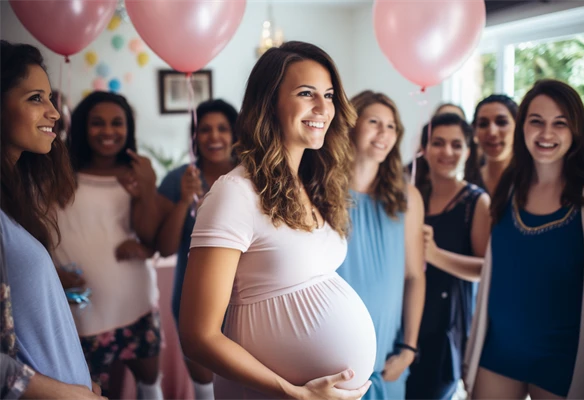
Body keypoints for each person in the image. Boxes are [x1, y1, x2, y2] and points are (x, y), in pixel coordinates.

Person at [178, 41, 376, 400]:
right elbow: (197, 337)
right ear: (269, 102)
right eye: (306, 93)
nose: (323, 108)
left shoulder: (315, 184)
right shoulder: (234, 193)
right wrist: (295, 392)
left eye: (329, 95)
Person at [465, 79, 584, 400]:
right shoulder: (510, 186)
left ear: (577, 130)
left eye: (560, 124)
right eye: (536, 121)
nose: (546, 134)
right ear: (522, 125)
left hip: (563, 357)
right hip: (499, 349)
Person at [0, 40, 105, 399]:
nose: (54, 112)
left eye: (48, 97)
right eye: (35, 98)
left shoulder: (13, 198)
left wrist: (80, 382)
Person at [52, 91, 163, 399]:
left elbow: (150, 236)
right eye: (97, 123)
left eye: (117, 123)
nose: (108, 131)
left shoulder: (137, 172)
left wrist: (148, 188)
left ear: (129, 128)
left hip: (135, 302)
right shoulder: (60, 173)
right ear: (82, 128)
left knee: (150, 384)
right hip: (81, 311)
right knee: (90, 391)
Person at [335, 90, 425, 400]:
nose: (383, 133)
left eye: (391, 126)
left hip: (388, 361)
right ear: (351, 125)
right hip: (329, 358)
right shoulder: (321, 192)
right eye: (374, 121)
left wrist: (409, 350)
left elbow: (415, 276)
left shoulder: (407, 198)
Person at [156, 99, 239, 400]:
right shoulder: (178, 179)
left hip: (246, 299)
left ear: (235, 134)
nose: (213, 137)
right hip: (194, 300)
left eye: (222, 129)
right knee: (206, 391)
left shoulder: (252, 176)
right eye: (205, 129)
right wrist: (184, 200)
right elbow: (164, 248)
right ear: (195, 135)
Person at [407, 113, 490, 400]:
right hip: (403, 319)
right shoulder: (408, 195)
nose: (447, 152)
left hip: (445, 326)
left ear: (468, 152)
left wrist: (434, 254)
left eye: (457, 145)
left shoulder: (476, 202)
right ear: (424, 149)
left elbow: (485, 268)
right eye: (438, 143)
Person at [472, 94, 518, 196]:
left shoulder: (533, 181)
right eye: (483, 124)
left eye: (501, 122)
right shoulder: (468, 182)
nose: (492, 132)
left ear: (518, 127)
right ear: (474, 130)